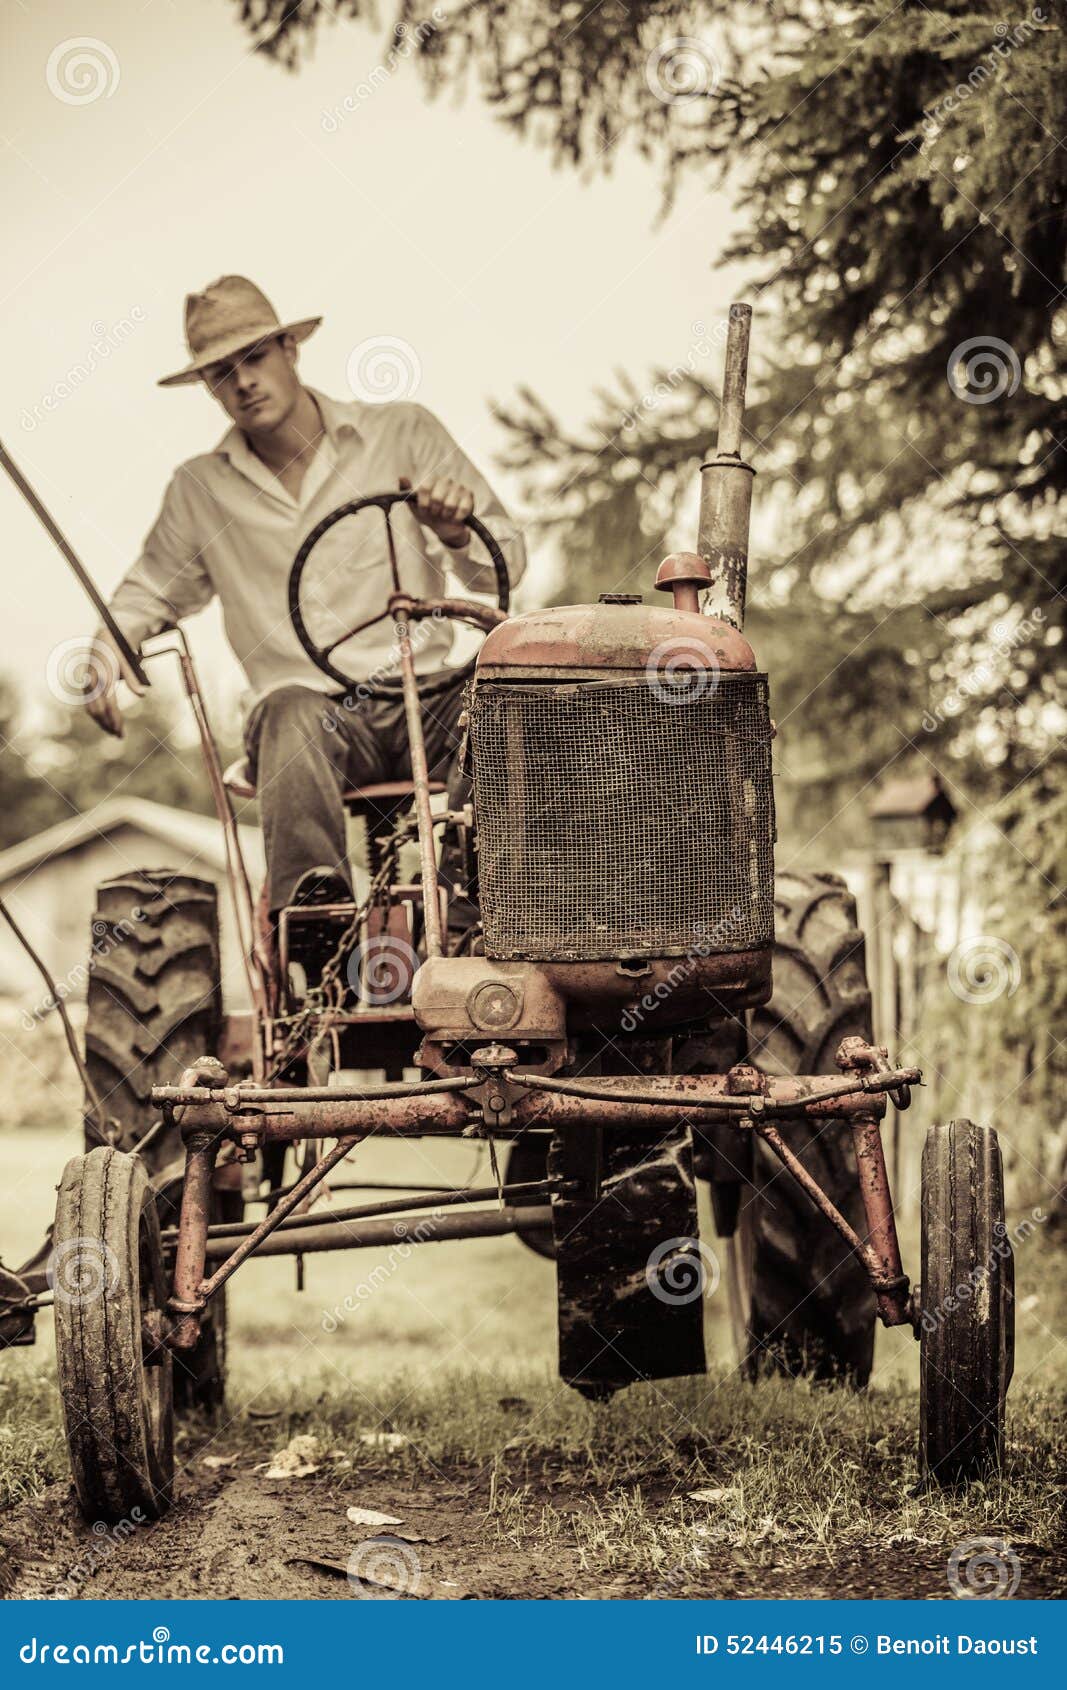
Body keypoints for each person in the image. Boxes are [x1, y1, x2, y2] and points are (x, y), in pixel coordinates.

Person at [84, 275, 526, 938]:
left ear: (290, 348)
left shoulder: (400, 431)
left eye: (254, 358)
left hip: (426, 698)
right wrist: (107, 644)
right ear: (208, 387)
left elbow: (506, 563)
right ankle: (316, 924)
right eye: (221, 373)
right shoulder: (200, 489)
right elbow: (150, 587)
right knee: (288, 710)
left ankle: (478, 906)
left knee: (510, 694)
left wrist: (455, 528)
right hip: (314, 722)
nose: (243, 383)